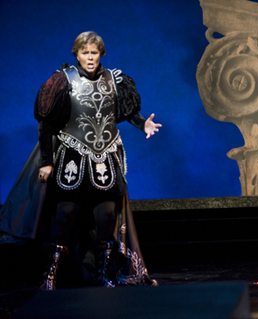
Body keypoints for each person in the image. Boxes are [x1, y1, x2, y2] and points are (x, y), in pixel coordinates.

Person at [0, 31, 162, 289]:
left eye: (94, 53)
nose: (90, 57)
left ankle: (102, 276)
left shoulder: (115, 80)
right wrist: (46, 161)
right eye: (85, 52)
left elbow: (127, 112)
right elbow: (46, 124)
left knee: (107, 216)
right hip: (72, 159)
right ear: (76, 54)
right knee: (66, 213)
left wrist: (143, 125)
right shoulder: (62, 81)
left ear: (101, 55)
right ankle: (48, 277)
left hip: (105, 159)